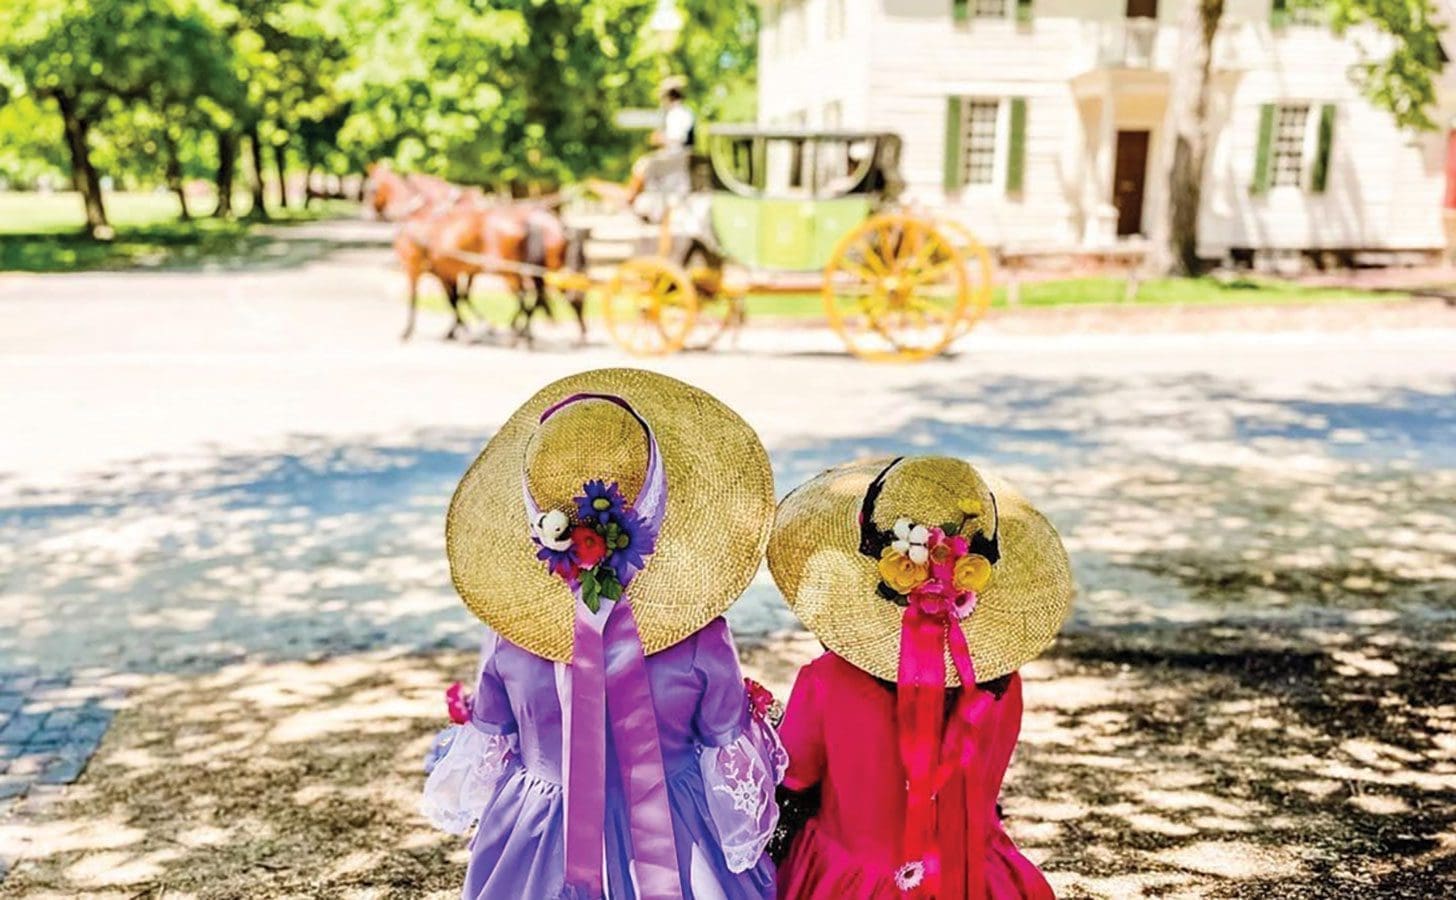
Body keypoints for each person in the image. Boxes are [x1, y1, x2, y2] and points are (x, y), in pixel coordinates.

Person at [420, 368, 786, 900]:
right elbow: (724, 746)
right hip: (678, 839)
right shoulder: (700, 637)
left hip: (540, 838)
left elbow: (493, 735)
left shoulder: (511, 638)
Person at [766, 456, 1074, 899]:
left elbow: (792, 777)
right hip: (973, 877)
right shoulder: (1000, 682)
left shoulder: (826, 680)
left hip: (849, 882)